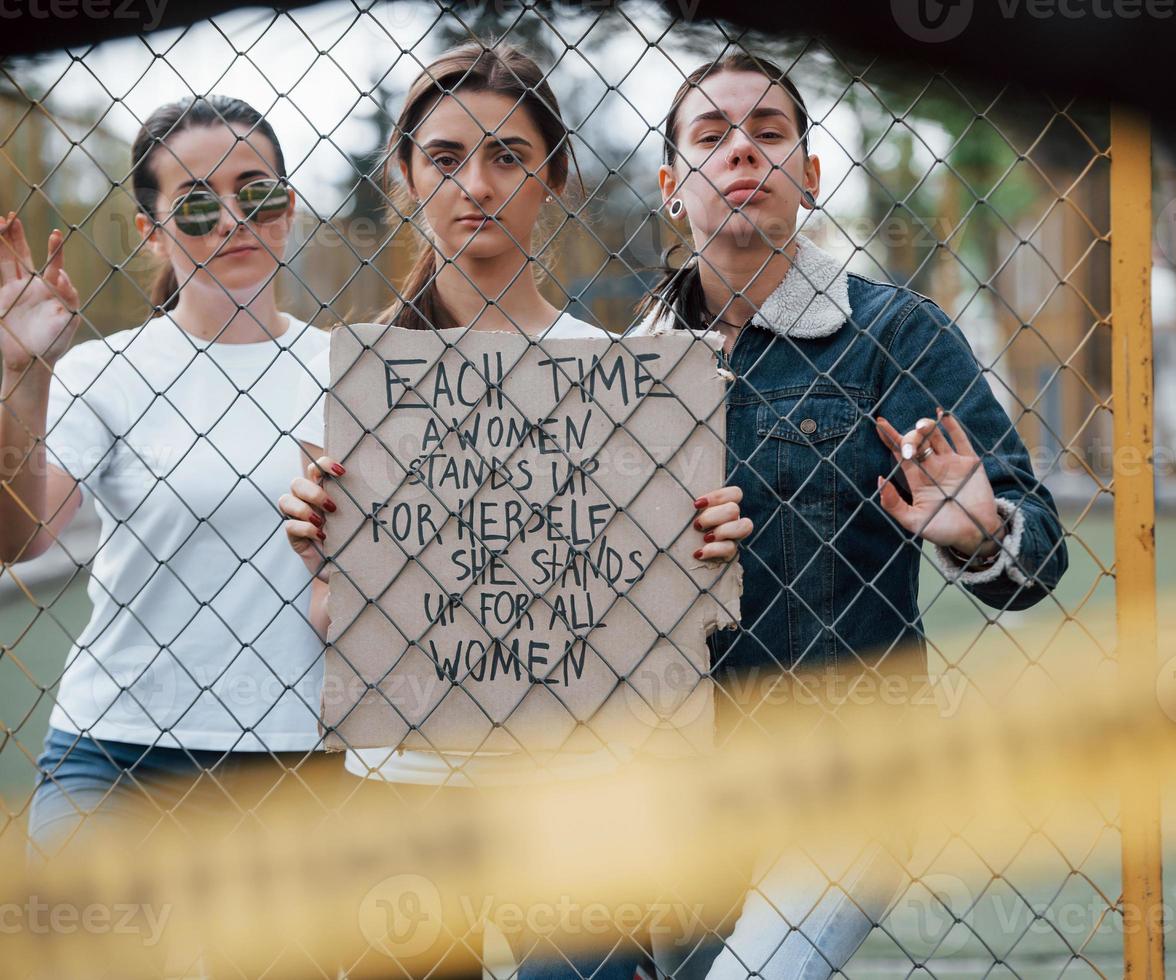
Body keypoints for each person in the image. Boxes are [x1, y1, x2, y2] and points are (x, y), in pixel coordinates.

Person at [276, 42, 752, 979]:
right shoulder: (358, 375)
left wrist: (704, 552)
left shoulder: (621, 375)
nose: (476, 185)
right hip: (407, 790)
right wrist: (320, 558)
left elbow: (659, 616)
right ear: (407, 178)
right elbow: (335, 622)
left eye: (507, 157)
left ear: (552, 178)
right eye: (445, 158)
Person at [619, 52, 1071, 980]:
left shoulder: (895, 335)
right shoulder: (619, 368)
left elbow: (1039, 553)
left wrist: (983, 534)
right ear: (672, 186)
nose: (742, 151)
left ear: (810, 177)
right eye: (710, 138)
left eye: (770, 134)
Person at [0, 95, 342, 867]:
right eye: (195, 206)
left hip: (301, 754)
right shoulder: (108, 371)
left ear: (287, 208)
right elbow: (19, 538)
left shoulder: (348, 369)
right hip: (120, 753)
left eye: (256, 192)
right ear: (151, 232)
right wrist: (21, 377)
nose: (232, 219)